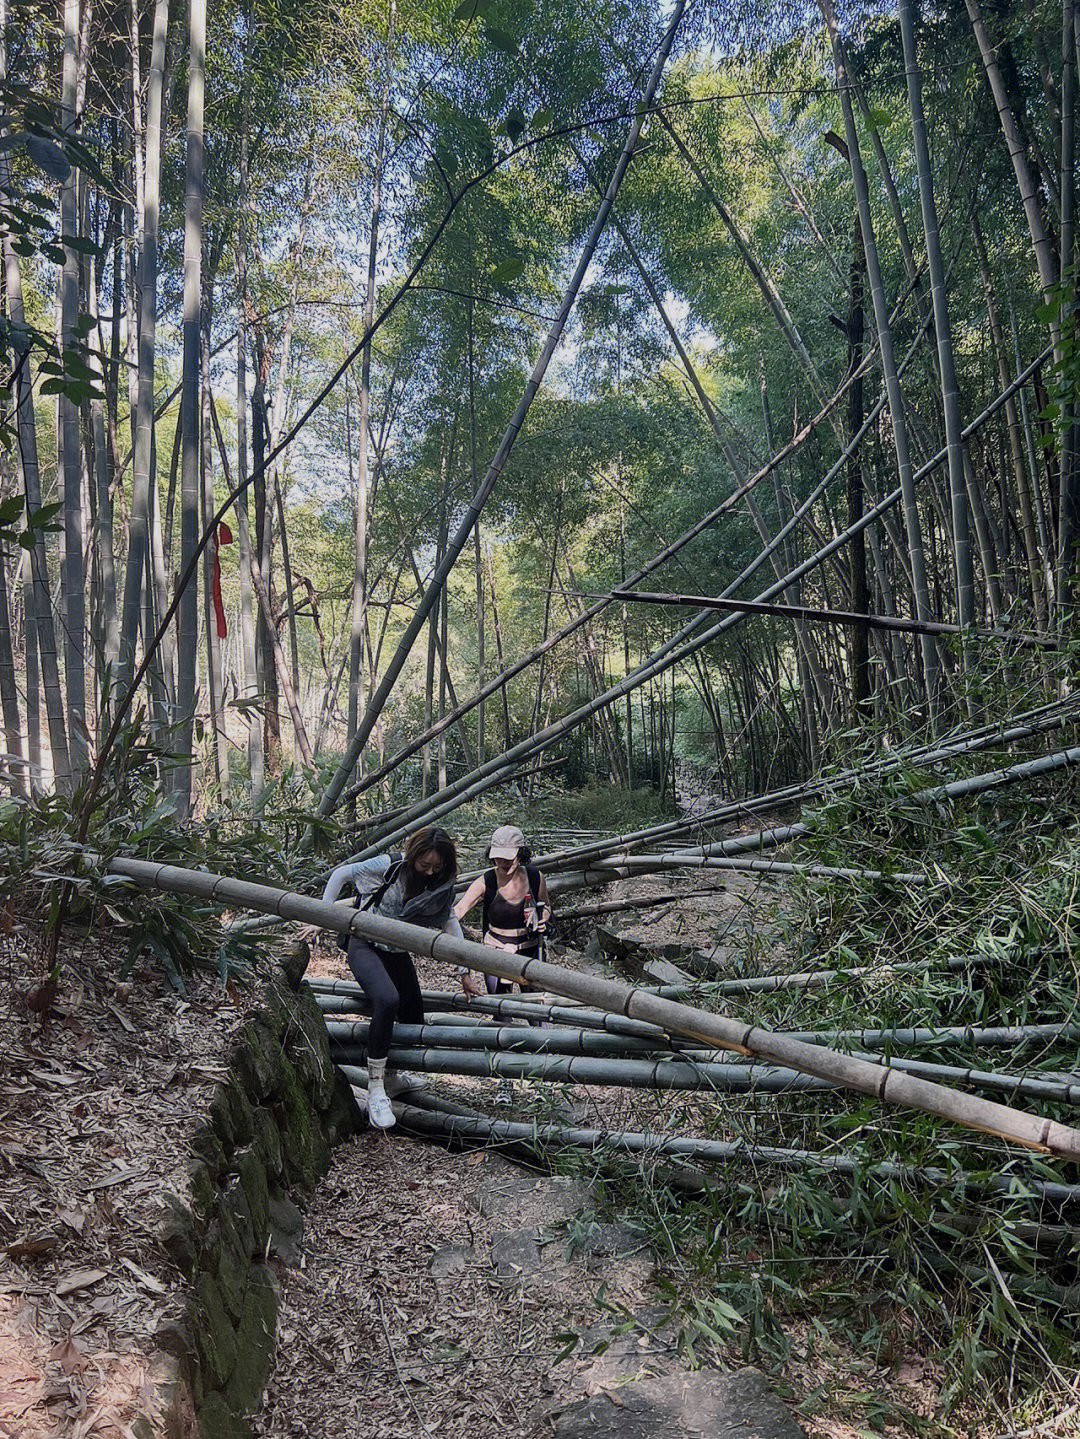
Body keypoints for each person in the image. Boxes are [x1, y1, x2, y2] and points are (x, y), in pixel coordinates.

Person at [321, 827, 461, 1130]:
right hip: (364, 943)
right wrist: (323, 914)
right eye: (424, 865)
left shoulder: (436, 884)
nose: (429, 871)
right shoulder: (389, 865)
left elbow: (449, 920)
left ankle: (392, 1078)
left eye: (436, 867)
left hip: (396, 951)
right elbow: (340, 874)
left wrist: (464, 972)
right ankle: (375, 1090)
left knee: (413, 1013)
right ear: (413, 855)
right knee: (387, 999)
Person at [454, 825, 551, 996]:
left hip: (530, 949)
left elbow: (546, 905)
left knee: (535, 1009)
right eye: (498, 858)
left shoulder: (535, 877)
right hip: (495, 951)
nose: (503, 863)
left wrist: (543, 918)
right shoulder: (486, 881)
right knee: (501, 1008)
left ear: (520, 854)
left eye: (508, 858)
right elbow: (458, 911)